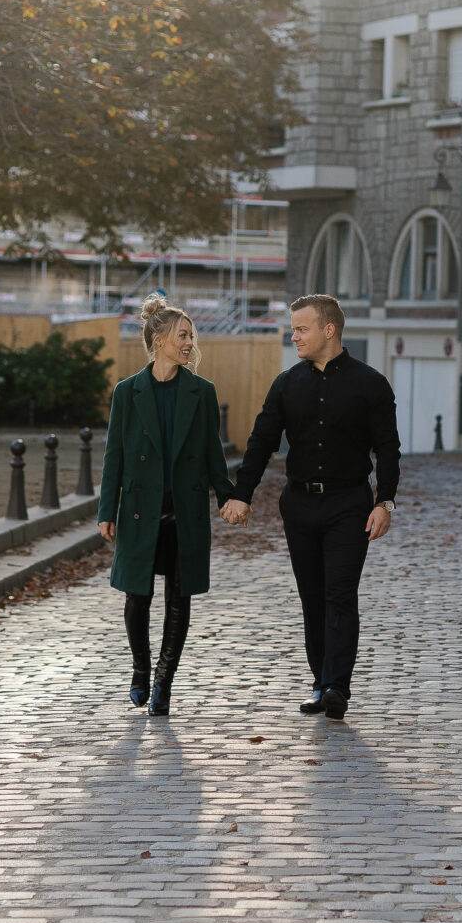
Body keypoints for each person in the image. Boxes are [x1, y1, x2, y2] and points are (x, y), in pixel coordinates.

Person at [222, 293, 399, 719]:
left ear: (329, 330)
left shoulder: (370, 384)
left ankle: (337, 685)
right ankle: (320, 680)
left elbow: (388, 448)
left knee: (340, 594)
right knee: (312, 597)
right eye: (293, 328)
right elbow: (262, 442)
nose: (294, 336)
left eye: (302, 328)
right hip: (299, 505)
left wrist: (385, 501)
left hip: (349, 505)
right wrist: (241, 494)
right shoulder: (286, 384)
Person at [98, 293, 239, 718]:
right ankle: (141, 668)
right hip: (140, 510)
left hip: (186, 512)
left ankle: (163, 681)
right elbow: (114, 455)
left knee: (180, 598)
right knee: (136, 597)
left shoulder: (202, 392)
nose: (188, 343)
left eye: (191, 337)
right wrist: (107, 509)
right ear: (158, 339)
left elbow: (214, 456)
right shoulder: (127, 392)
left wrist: (230, 496)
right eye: (182, 335)